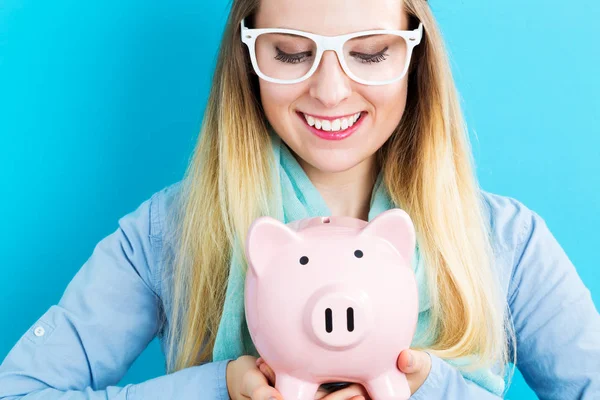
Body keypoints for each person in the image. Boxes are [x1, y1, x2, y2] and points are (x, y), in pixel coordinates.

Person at [1, 0, 599, 399]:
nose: (332, 90)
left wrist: (435, 389)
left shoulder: (505, 241)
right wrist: (221, 388)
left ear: (415, 58)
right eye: (291, 53)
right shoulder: (171, 233)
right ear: (250, 59)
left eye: (370, 52)